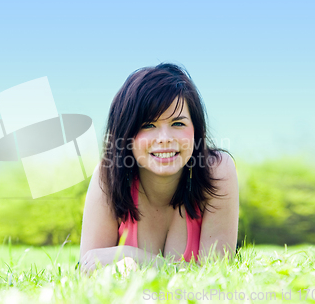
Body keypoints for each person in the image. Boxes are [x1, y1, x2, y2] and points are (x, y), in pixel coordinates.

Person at [78, 63, 239, 276]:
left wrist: (133, 256)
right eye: (148, 125)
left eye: (178, 124)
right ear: (126, 134)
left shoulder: (218, 171)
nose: (164, 139)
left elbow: (216, 277)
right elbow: (89, 269)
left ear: (196, 131)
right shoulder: (108, 177)